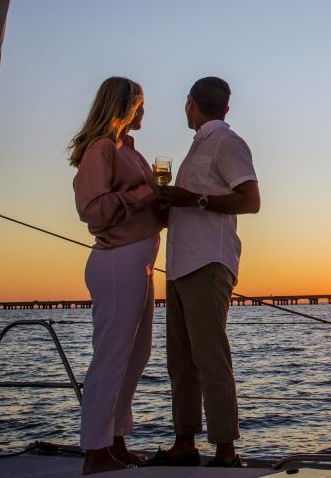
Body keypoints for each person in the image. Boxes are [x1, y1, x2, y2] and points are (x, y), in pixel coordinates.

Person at [149, 77, 260, 468]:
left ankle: (226, 450)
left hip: (208, 265)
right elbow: (193, 204)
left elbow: (251, 201)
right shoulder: (200, 146)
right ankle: (184, 444)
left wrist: (191, 199)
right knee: (180, 359)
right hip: (180, 266)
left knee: (211, 358)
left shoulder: (227, 143)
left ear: (190, 103)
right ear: (225, 108)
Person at [70, 77, 163, 474]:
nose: (144, 112)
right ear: (124, 107)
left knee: (136, 355)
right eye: (139, 105)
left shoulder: (130, 150)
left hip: (140, 260)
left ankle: (116, 439)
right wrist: (146, 194)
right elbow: (93, 209)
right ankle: (95, 452)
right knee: (111, 356)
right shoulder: (101, 149)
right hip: (116, 261)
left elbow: (141, 201)